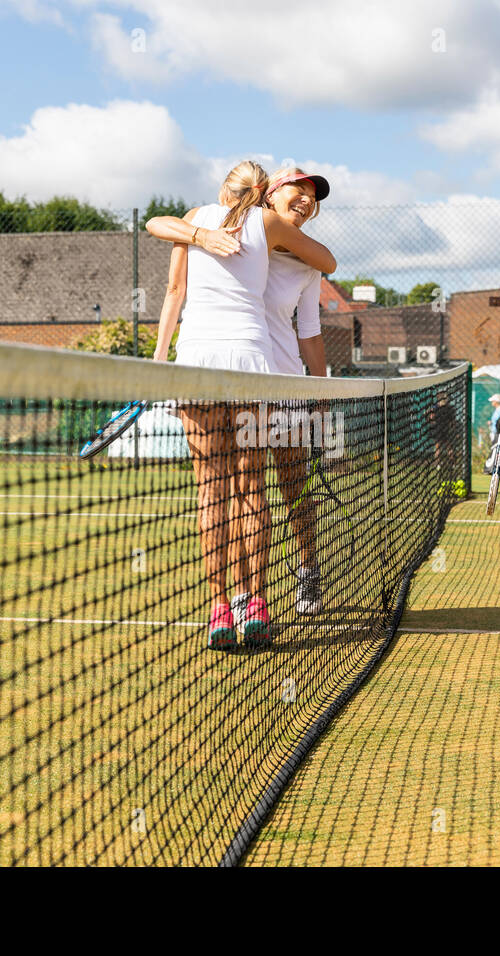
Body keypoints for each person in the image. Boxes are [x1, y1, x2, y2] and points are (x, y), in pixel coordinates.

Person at [148, 161, 336, 650]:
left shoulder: (195, 218)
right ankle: (253, 603)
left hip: (204, 364)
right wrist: (203, 236)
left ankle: (221, 610)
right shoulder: (261, 224)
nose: (306, 201)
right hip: (251, 365)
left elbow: (172, 285)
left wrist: (157, 360)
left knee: (214, 492)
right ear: (265, 193)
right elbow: (330, 260)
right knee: (252, 490)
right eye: (297, 189)